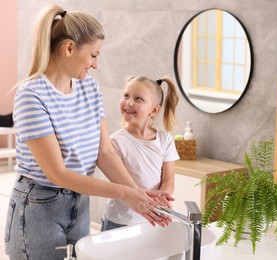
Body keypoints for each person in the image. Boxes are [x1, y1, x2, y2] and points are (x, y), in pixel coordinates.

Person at [4, 5, 171, 260]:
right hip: (39, 207)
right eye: (93, 55)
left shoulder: (89, 88)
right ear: (69, 48)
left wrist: (140, 196)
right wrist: (127, 194)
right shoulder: (32, 95)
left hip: (79, 204)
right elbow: (58, 174)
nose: (96, 64)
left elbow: (104, 153)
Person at [101, 75, 180, 231]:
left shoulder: (165, 141)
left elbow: (168, 179)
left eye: (138, 99)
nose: (129, 102)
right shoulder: (115, 142)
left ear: (154, 110)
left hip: (151, 220)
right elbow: (121, 183)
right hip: (120, 221)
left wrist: (161, 197)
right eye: (126, 96)